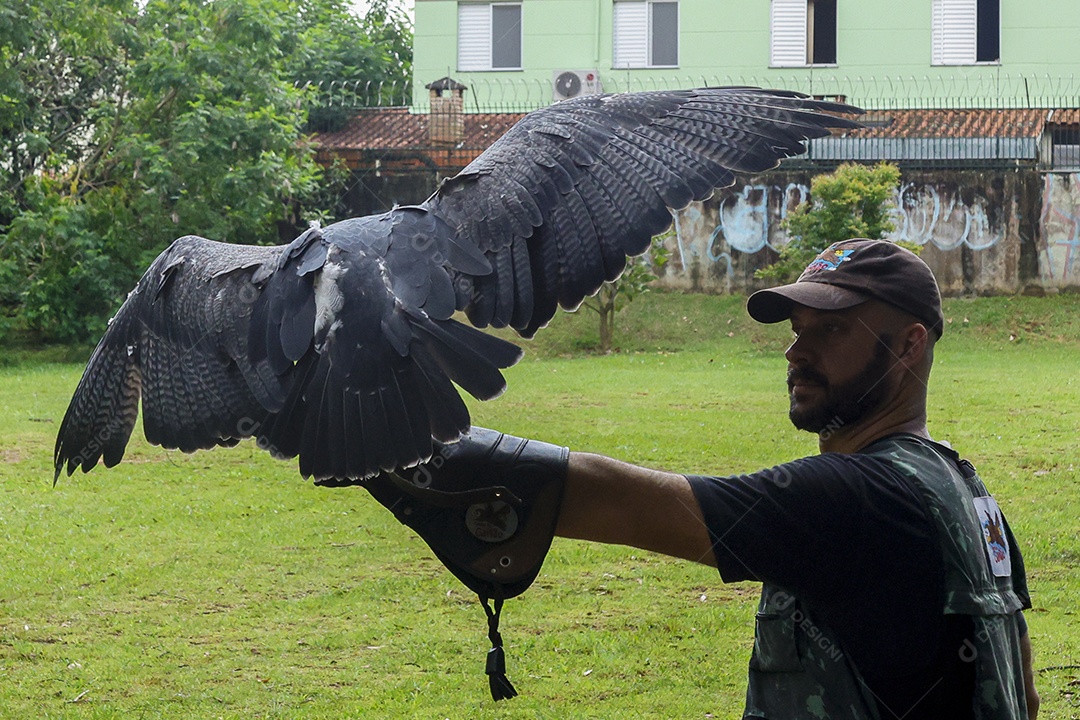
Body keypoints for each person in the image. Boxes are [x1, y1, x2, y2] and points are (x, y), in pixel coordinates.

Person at [394, 239, 1039, 718]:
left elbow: (623, 503)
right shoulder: (965, 492)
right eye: (798, 330)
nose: (796, 350)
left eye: (834, 329)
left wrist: (390, 446)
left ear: (909, 345)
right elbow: (1022, 689)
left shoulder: (854, 498)